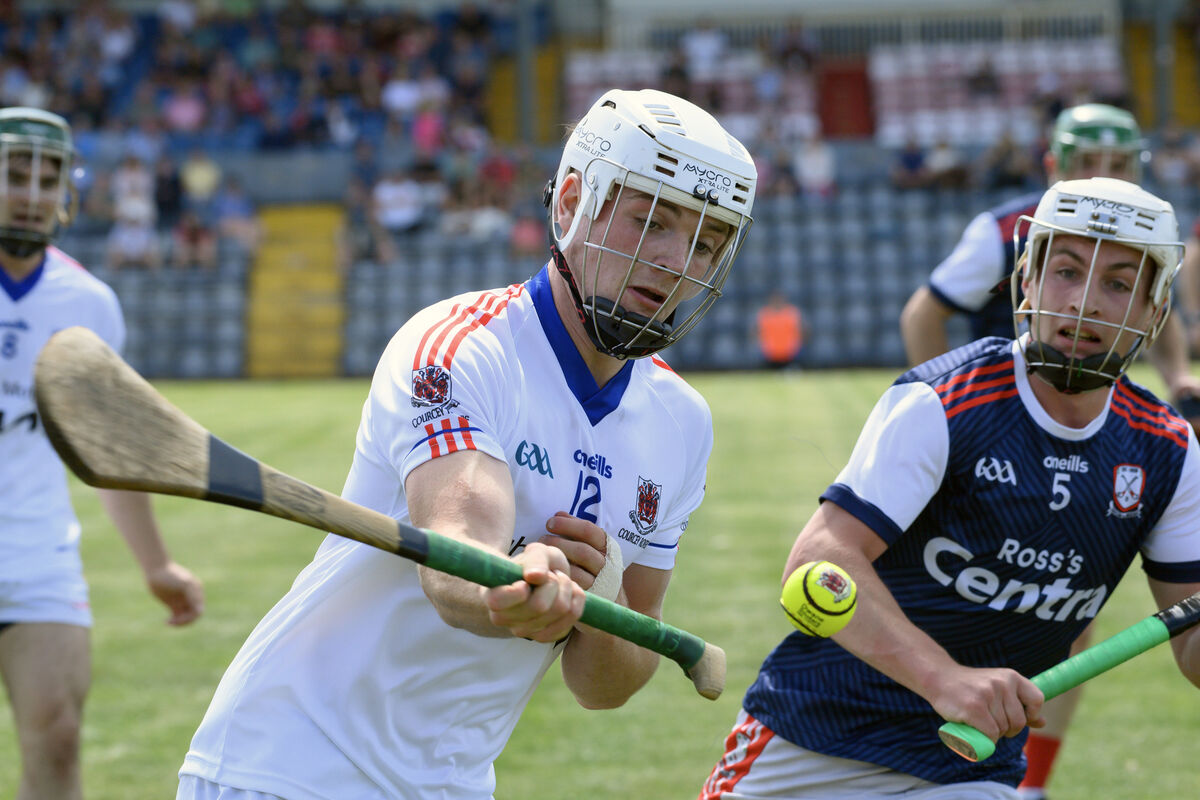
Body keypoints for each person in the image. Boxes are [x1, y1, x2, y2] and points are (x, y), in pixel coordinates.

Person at [177, 87, 757, 800]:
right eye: (651, 222)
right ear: (573, 203)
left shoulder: (681, 422)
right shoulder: (461, 349)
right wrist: (520, 581)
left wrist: (599, 595)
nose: (675, 261)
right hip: (289, 765)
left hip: (451, 784)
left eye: (705, 242)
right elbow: (455, 563)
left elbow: (604, 686)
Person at [700, 176, 1200, 800]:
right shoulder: (944, 401)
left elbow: (1192, 645)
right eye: (1067, 271)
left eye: (1119, 284)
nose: (1085, 302)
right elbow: (819, 561)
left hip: (969, 769)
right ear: (1027, 280)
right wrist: (945, 680)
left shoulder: (1168, 449)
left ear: (1156, 311)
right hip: (813, 741)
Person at [898, 103, 1200, 800]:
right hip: (1000, 427)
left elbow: (1169, 322)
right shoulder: (1004, 230)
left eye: (1121, 167)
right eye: (1089, 164)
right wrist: (948, 413)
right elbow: (925, 312)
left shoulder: (1147, 235)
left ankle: (1023, 786)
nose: (1105, 179)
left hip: (1086, 429)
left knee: (1068, 613)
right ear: (1053, 167)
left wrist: (1178, 376)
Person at [0, 107, 204, 800]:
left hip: (36, 556)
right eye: (14, 172)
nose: (30, 190)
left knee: (56, 741)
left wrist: (157, 564)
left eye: (45, 175)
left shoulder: (89, 303)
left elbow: (107, 451)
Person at [755, 290, 804, 369]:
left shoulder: (791, 313)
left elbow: (800, 331)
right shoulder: (765, 313)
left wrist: (795, 347)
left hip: (789, 353)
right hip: (770, 354)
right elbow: (758, 332)